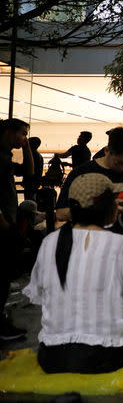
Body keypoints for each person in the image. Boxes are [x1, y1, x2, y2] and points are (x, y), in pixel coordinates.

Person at [23, 173, 123, 373]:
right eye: (115, 199)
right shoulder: (120, 244)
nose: (119, 204)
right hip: (104, 355)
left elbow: (39, 295)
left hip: (51, 355)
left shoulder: (50, 242)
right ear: (106, 207)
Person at [0, 118, 33, 341]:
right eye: (22, 133)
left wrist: (27, 146)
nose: (24, 138)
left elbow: (29, 173)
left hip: (8, 222)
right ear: (8, 132)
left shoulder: (6, 156)